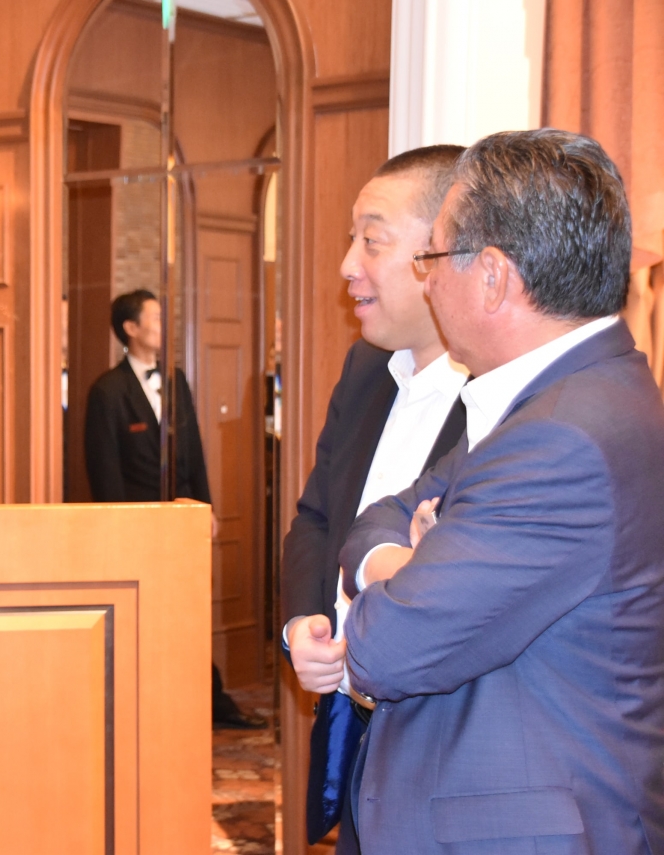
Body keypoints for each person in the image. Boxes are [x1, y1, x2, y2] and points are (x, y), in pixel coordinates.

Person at [339, 129, 664, 854]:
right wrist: (405, 563)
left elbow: (383, 649)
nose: (427, 282)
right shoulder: (562, 396)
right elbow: (377, 518)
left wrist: (408, 573)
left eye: (431, 258)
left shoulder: (560, 437)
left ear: (492, 276)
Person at [279, 144, 467, 853]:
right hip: (350, 721)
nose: (347, 265)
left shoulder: (503, 398)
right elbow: (317, 517)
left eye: (372, 241)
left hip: (440, 743)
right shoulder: (365, 367)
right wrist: (301, 623)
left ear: (439, 251)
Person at [85, 289, 265, 730]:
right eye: (156, 318)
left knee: (190, 612)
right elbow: (104, 469)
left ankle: (207, 701)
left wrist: (206, 507)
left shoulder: (176, 379)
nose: (164, 326)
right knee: (146, 617)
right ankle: (150, 702)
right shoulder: (107, 391)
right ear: (131, 328)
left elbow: (194, 450)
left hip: (184, 522)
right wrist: (120, 529)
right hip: (137, 527)